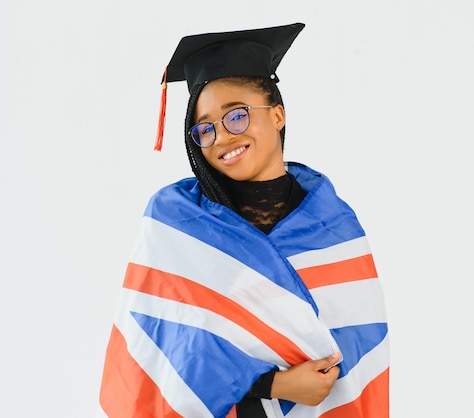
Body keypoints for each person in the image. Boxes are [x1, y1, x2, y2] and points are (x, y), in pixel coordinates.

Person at [97, 23, 389, 418]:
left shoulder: (334, 225)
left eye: (236, 116)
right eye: (204, 129)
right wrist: (272, 384)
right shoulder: (178, 225)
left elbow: (359, 355)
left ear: (279, 115)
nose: (221, 137)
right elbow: (160, 364)